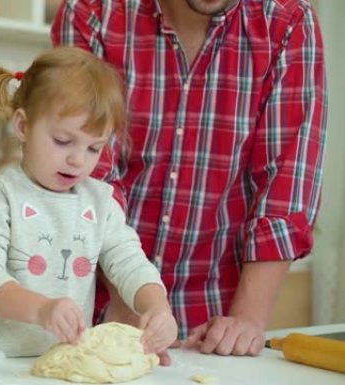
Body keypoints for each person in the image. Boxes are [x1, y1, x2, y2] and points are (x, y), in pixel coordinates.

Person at [52, 0, 327, 362]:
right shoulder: (92, 12)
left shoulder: (289, 22)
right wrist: (129, 302)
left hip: (213, 326)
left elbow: (287, 185)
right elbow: (87, 175)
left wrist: (244, 320)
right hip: (93, 310)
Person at [0, 47, 178, 363]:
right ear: (23, 126)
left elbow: (130, 263)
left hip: (60, 366)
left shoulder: (101, 202)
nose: (77, 160)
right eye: (63, 141)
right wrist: (41, 309)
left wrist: (156, 306)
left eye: (94, 148)